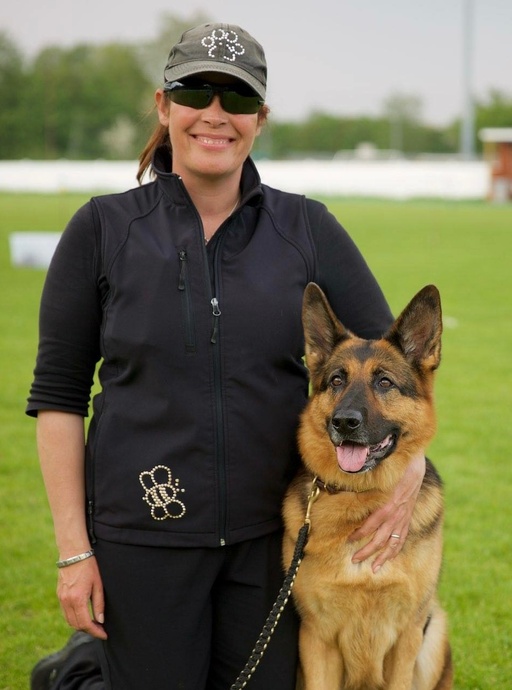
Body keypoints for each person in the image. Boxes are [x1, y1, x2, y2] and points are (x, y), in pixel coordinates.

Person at [27, 22, 426, 690]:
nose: (216, 113)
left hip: (271, 538)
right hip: (142, 532)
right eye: (196, 92)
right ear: (164, 106)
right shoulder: (101, 229)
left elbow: (394, 368)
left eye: (237, 99)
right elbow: (59, 397)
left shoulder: (306, 229)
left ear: (260, 119)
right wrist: (75, 553)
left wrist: (409, 476)